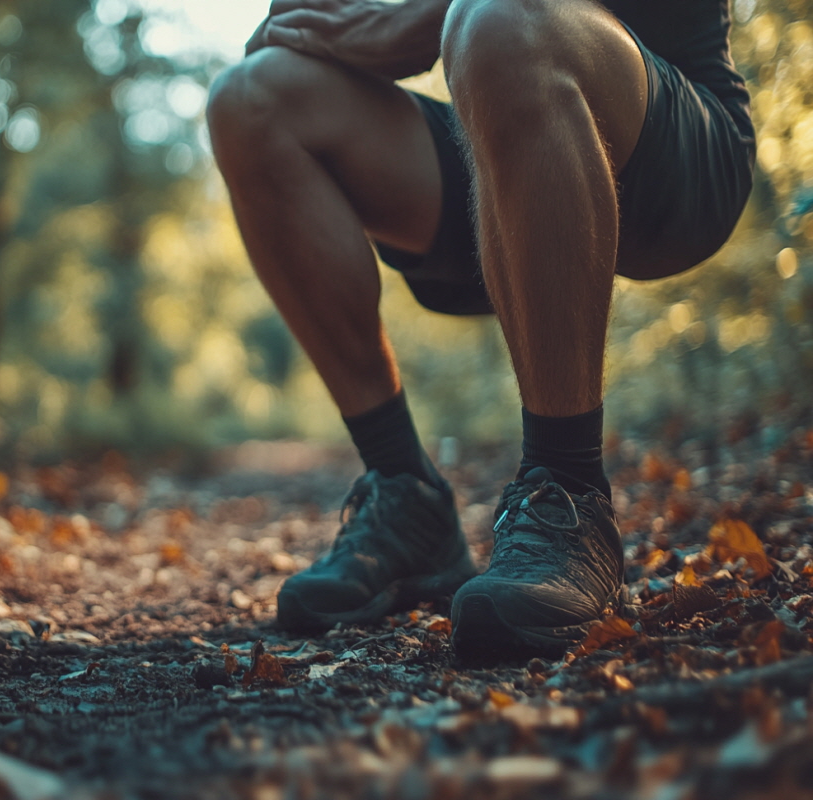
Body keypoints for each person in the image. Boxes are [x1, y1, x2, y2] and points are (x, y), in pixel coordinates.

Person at [205, 0, 755, 657]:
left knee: (503, 16)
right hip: (504, 134)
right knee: (251, 97)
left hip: (678, 145)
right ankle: (404, 495)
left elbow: (430, 26)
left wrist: (405, 25)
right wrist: (323, 29)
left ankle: (567, 493)